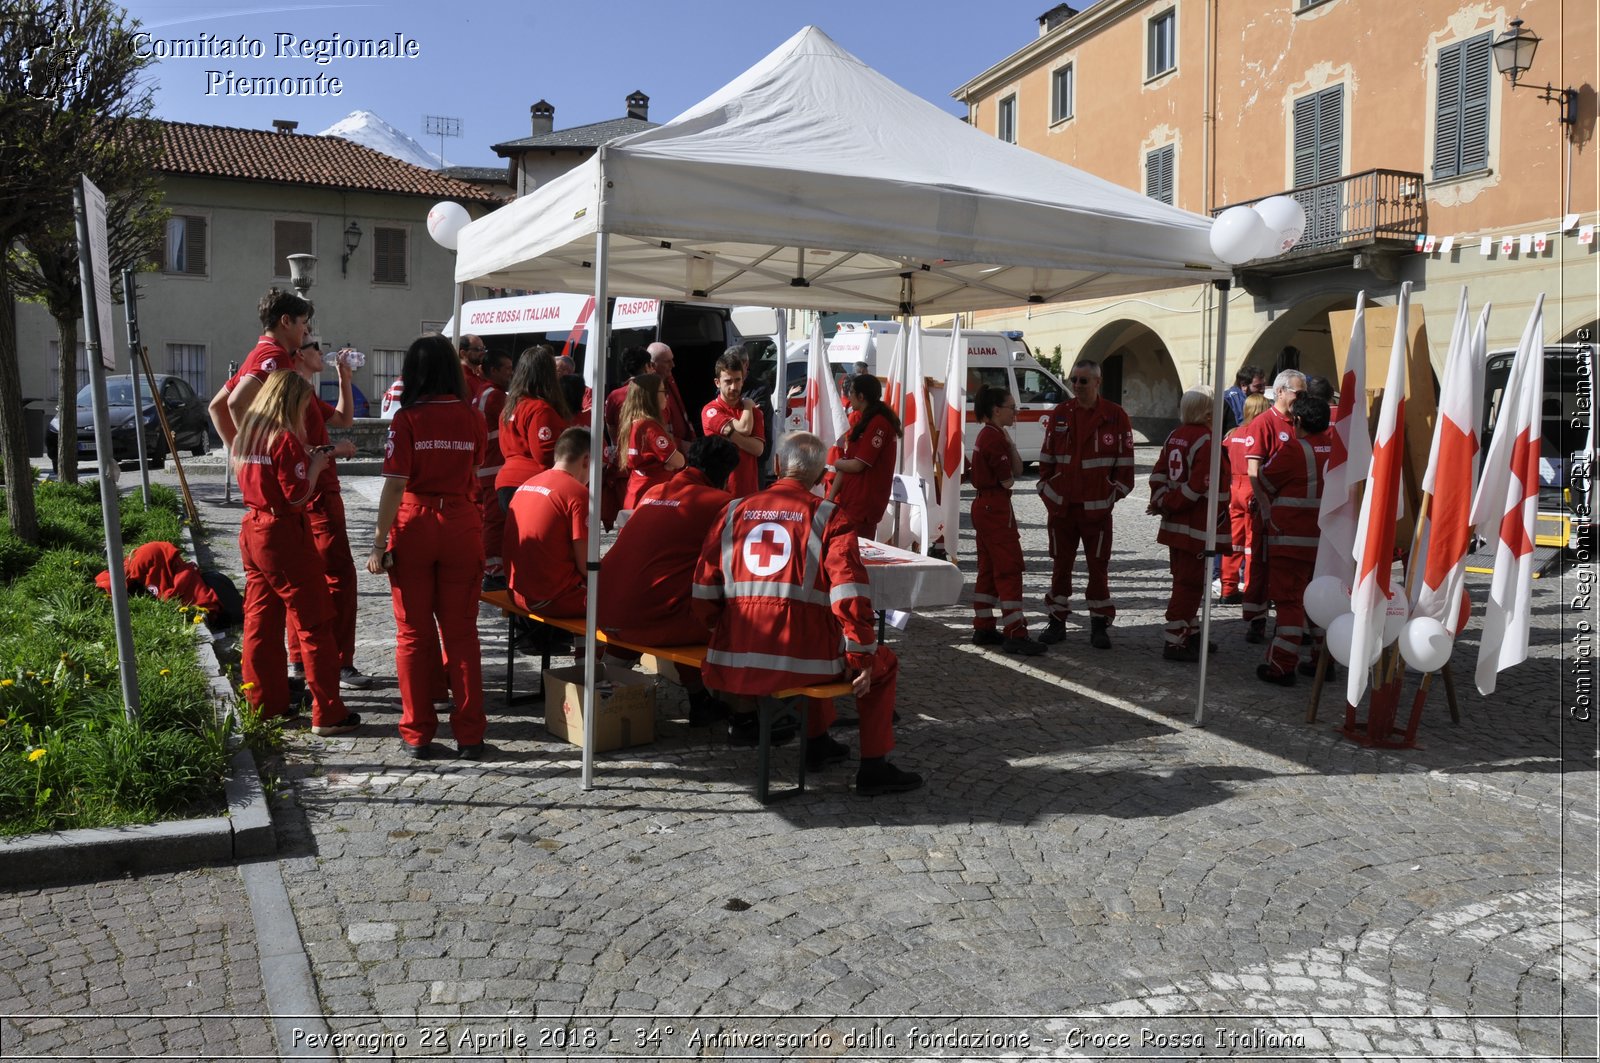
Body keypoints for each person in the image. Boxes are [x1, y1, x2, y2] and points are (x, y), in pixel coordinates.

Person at [691, 432, 923, 796]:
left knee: (815, 635)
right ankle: (873, 766)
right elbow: (849, 594)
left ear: (779, 466)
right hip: (802, 661)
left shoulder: (733, 510)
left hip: (731, 657)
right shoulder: (829, 517)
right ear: (819, 478)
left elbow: (704, 590)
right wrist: (861, 655)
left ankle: (818, 743)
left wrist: (722, 631)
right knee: (880, 662)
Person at [367, 334, 488, 760]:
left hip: (415, 523)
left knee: (413, 634)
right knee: (461, 632)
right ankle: (470, 734)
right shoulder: (472, 417)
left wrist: (378, 544)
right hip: (459, 520)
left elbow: (395, 484)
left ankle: (418, 733)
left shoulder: (407, 418)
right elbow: (474, 466)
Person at [232, 371, 357, 736]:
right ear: (291, 403)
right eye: (304, 406)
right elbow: (297, 495)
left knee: (260, 621)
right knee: (314, 621)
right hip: (282, 532)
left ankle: (264, 703)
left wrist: (311, 457)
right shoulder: (282, 438)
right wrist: (317, 466)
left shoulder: (249, 434)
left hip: (253, 529)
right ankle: (328, 712)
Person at [597, 436, 741, 727]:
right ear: (724, 474)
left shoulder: (655, 491)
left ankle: (603, 688)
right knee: (722, 617)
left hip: (606, 608)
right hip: (655, 618)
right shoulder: (720, 503)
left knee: (664, 595)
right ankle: (742, 709)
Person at [283, 340, 370, 690]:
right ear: (299, 354)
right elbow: (291, 441)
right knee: (339, 576)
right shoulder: (294, 391)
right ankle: (337, 663)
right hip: (318, 496)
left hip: (317, 494)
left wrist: (344, 377)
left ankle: (300, 661)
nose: (322, 350)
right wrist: (334, 450)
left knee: (310, 579)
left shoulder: (302, 391)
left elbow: (345, 418)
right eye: (313, 344)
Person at [1036, 358, 1135, 649]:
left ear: (1097, 382)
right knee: (1060, 568)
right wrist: (1048, 491)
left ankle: (1099, 624)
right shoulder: (1061, 413)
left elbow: (1125, 468)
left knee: (1098, 569)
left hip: (1097, 511)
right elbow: (1046, 460)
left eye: (1082, 380)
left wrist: (1110, 494)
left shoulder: (1115, 416)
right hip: (1062, 509)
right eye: (1073, 380)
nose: (1076, 386)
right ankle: (1056, 622)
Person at [1256, 396, 1340, 685]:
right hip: (1327, 540)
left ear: (1299, 422)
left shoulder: (1293, 449)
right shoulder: (1339, 451)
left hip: (1290, 538)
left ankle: (1282, 665)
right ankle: (1322, 659)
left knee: (1289, 600)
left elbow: (1266, 480)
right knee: (1320, 599)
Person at [968, 386, 1047, 656]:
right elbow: (1011, 476)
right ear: (996, 410)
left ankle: (984, 625)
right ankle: (1016, 632)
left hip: (985, 505)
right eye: (1011, 407)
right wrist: (1010, 445)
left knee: (988, 568)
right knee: (1009, 568)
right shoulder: (994, 438)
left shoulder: (989, 434)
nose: (1016, 411)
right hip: (995, 507)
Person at [1149, 387, 1224, 662]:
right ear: (1206, 412)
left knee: (1186, 581)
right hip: (1195, 525)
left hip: (1175, 524)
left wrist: (1161, 501)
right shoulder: (1206, 440)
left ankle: (1190, 633)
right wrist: (1172, 503)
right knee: (1189, 584)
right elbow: (1198, 486)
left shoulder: (1173, 436)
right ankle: (1175, 640)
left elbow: (1158, 473)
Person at [1243, 368, 1307, 644]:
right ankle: (1256, 619)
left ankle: (1291, 621)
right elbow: (1253, 471)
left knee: (1292, 571)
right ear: (1280, 392)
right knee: (1260, 564)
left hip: (1294, 515)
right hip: (1269, 512)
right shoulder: (1264, 423)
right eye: (1299, 393)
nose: (1303, 398)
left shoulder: (1301, 422)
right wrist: (1266, 507)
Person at [505, 427, 593, 621]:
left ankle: (583, 650)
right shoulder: (577, 493)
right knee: (624, 597)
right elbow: (587, 565)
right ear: (586, 460)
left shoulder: (526, 484)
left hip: (517, 593)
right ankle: (597, 653)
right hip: (551, 598)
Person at [208, 287, 312, 448]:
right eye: (303, 323)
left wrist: (241, 456)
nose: (305, 330)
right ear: (285, 321)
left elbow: (216, 407)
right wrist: (254, 452)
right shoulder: (275, 356)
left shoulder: (257, 353)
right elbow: (235, 402)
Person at [495, 346, 575, 510]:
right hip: (533, 483)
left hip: (508, 480)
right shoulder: (540, 409)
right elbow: (545, 455)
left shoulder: (511, 406)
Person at [825, 373, 902, 540]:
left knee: (857, 553)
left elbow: (858, 465)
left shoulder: (878, 423)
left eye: (851, 392)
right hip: (851, 500)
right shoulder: (864, 420)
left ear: (861, 396)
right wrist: (831, 499)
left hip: (863, 503)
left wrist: (836, 463)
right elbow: (848, 461)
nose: (848, 396)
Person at [1220, 392, 1270, 605]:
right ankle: (1251, 589)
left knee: (1233, 542)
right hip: (1252, 488)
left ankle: (1228, 587)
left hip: (1233, 489)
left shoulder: (1231, 434)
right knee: (1253, 544)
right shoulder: (1260, 433)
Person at [701, 347, 766, 498]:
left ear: (743, 380)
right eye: (728, 381)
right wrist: (749, 405)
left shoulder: (754, 413)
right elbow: (744, 428)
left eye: (738, 380)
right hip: (719, 491)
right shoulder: (711, 410)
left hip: (748, 491)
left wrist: (729, 434)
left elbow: (758, 449)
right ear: (717, 383)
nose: (734, 387)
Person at [616, 374, 685, 513]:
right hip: (650, 497)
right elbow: (679, 461)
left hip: (637, 492)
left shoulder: (633, 422)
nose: (666, 396)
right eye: (663, 391)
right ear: (651, 396)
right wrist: (668, 465)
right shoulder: (649, 427)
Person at [475, 349, 514, 589]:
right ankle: (493, 570)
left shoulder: (486, 392)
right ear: (494, 371)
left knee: (491, 520)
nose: (511, 372)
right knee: (494, 521)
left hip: (488, 467)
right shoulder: (495, 396)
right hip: (494, 467)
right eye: (507, 368)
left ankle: (492, 567)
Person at [648, 341, 696, 444]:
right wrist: (681, 445)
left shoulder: (670, 379)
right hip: (667, 449)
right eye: (667, 361)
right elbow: (655, 432)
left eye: (672, 360)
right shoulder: (647, 391)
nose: (673, 365)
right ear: (652, 365)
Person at [1221, 364, 1264, 433]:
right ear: (1243, 386)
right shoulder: (1226, 401)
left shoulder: (1264, 402)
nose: (1262, 390)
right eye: (1258, 386)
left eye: (1263, 385)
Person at [458, 334, 489, 401]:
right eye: (478, 349)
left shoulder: (479, 375)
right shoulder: (460, 378)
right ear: (463, 353)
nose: (483, 352)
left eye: (483, 348)